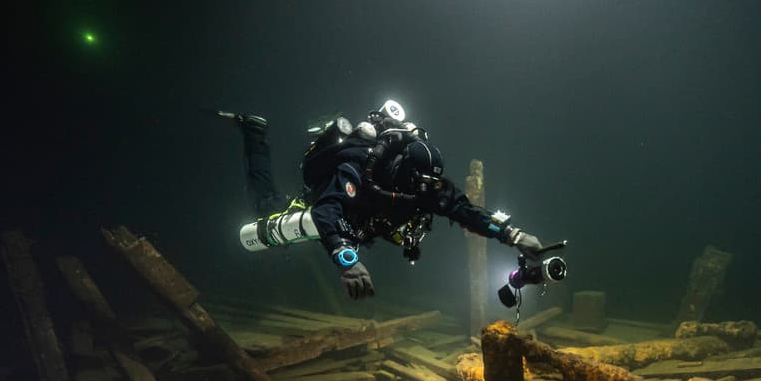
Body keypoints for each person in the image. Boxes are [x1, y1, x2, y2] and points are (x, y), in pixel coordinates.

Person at [224, 101, 546, 300]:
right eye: (418, 182)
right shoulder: (360, 168)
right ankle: (255, 136)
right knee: (268, 207)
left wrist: (512, 235)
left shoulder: (424, 186)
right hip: (335, 212)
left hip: (365, 225)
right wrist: (346, 261)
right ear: (401, 170)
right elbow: (326, 210)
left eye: (429, 183)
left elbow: (464, 211)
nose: (424, 190)